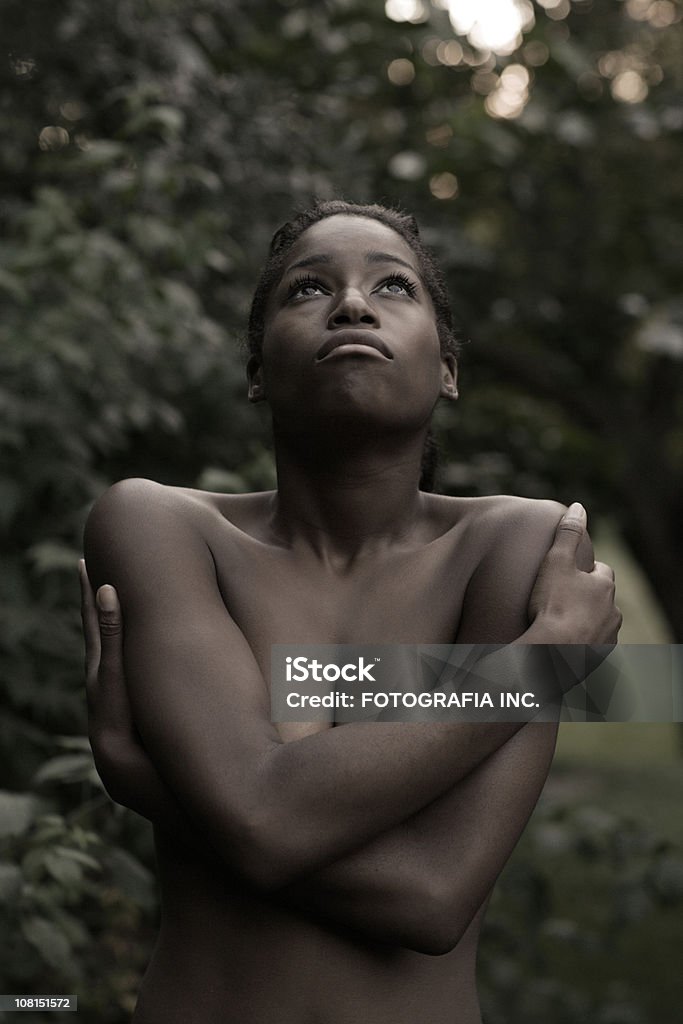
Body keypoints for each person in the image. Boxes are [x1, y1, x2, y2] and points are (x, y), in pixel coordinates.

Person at [81, 200, 621, 1024]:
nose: (352, 303)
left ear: (446, 366)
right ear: (257, 369)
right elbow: (264, 816)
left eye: (393, 285)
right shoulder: (157, 525)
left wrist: (154, 787)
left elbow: (436, 899)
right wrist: (540, 662)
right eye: (306, 289)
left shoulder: (525, 545)